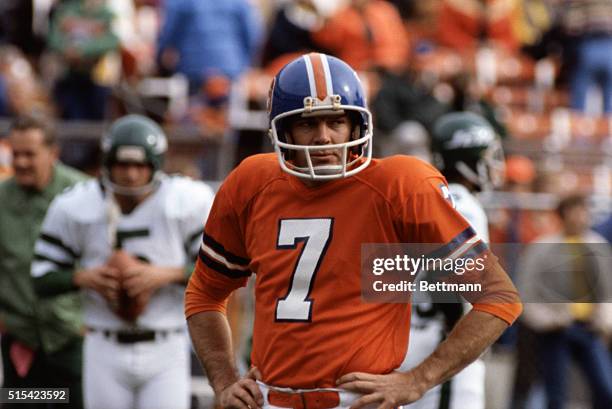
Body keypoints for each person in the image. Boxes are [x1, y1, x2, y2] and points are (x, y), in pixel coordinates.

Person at [185, 52, 522, 409]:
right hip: (270, 399)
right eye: (307, 124)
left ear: (357, 125)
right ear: (282, 130)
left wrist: (417, 380)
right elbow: (205, 293)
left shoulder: (400, 186)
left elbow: (499, 297)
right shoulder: (251, 183)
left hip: (358, 401)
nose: (324, 138)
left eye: (336, 122)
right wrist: (223, 381)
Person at [30, 114, 215, 409]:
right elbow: (41, 278)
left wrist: (166, 274)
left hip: (165, 344)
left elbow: (220, 272)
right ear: (107, 164)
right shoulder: (77, 205)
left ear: (155, 164)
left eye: (139, 165)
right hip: (103, 344)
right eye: (122, 164)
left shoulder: (185, 201)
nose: (130, 175)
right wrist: (83, 278)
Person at [400, 112, 504, 409]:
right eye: (487, 155)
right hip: (440, 344)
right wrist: (459, 328)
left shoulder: (433, 196)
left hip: (414, 337)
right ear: (466, 157)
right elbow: (446, 272)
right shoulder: (464, 205)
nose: (494, 164)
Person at [0, 114, 88, 408]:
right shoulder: (1, 198)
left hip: (72, 339)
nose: (21, 163)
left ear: (53, 153)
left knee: (76, 403)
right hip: (21, 341)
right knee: (20, 404)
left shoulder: (82, 194)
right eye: (16, 154)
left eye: (30, 154)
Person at [516, 194, 612, 409]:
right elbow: (526, 292)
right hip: (556, 330)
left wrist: (605, 320)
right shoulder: (541, 248)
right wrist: (546, 320)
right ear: (562, 214)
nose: (579, 217)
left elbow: (607, 291)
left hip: (589, 328)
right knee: (555, 393)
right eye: (574, 211)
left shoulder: (598, 246)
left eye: (583, 211)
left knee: (605, 387)